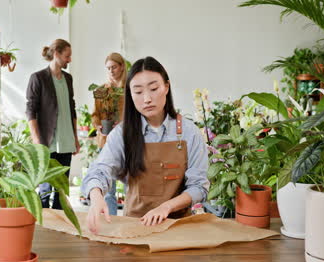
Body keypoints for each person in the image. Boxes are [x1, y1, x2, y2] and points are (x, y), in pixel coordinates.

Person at [81, 56, 209, 234]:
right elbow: (99, 170)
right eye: (138, 92)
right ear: (130, 95)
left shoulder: (190, 132)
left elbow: (199, 186)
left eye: (154, 88)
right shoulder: (122, 134)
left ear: (166, 87)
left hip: (178, 228)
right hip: (134, 227)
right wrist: (96, 197)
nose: (147, 98)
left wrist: (166, 207)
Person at [26, 39, 80, 210]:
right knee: (45, 189)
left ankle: (59, 227)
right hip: (46, 143)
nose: (69, 60)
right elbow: (30, 110)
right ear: (56, 54)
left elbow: (72, 109)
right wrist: (36, 140)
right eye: (67, 56)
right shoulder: (38, 78)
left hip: (66, 141)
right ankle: (43, 226)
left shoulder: (68, 79)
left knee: (61, 191)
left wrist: (75, 138)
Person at [90, 52, 126, 216]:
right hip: (105, 141)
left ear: (122, 67)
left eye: (114, 67)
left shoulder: (130, 89)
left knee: (130, 185)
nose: (111, 71)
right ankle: (111, 220)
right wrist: (98, 125)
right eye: (108, 68)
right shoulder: (101, 90)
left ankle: (131, 219)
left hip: (127, 141)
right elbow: (95, 114)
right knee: (108, 187)